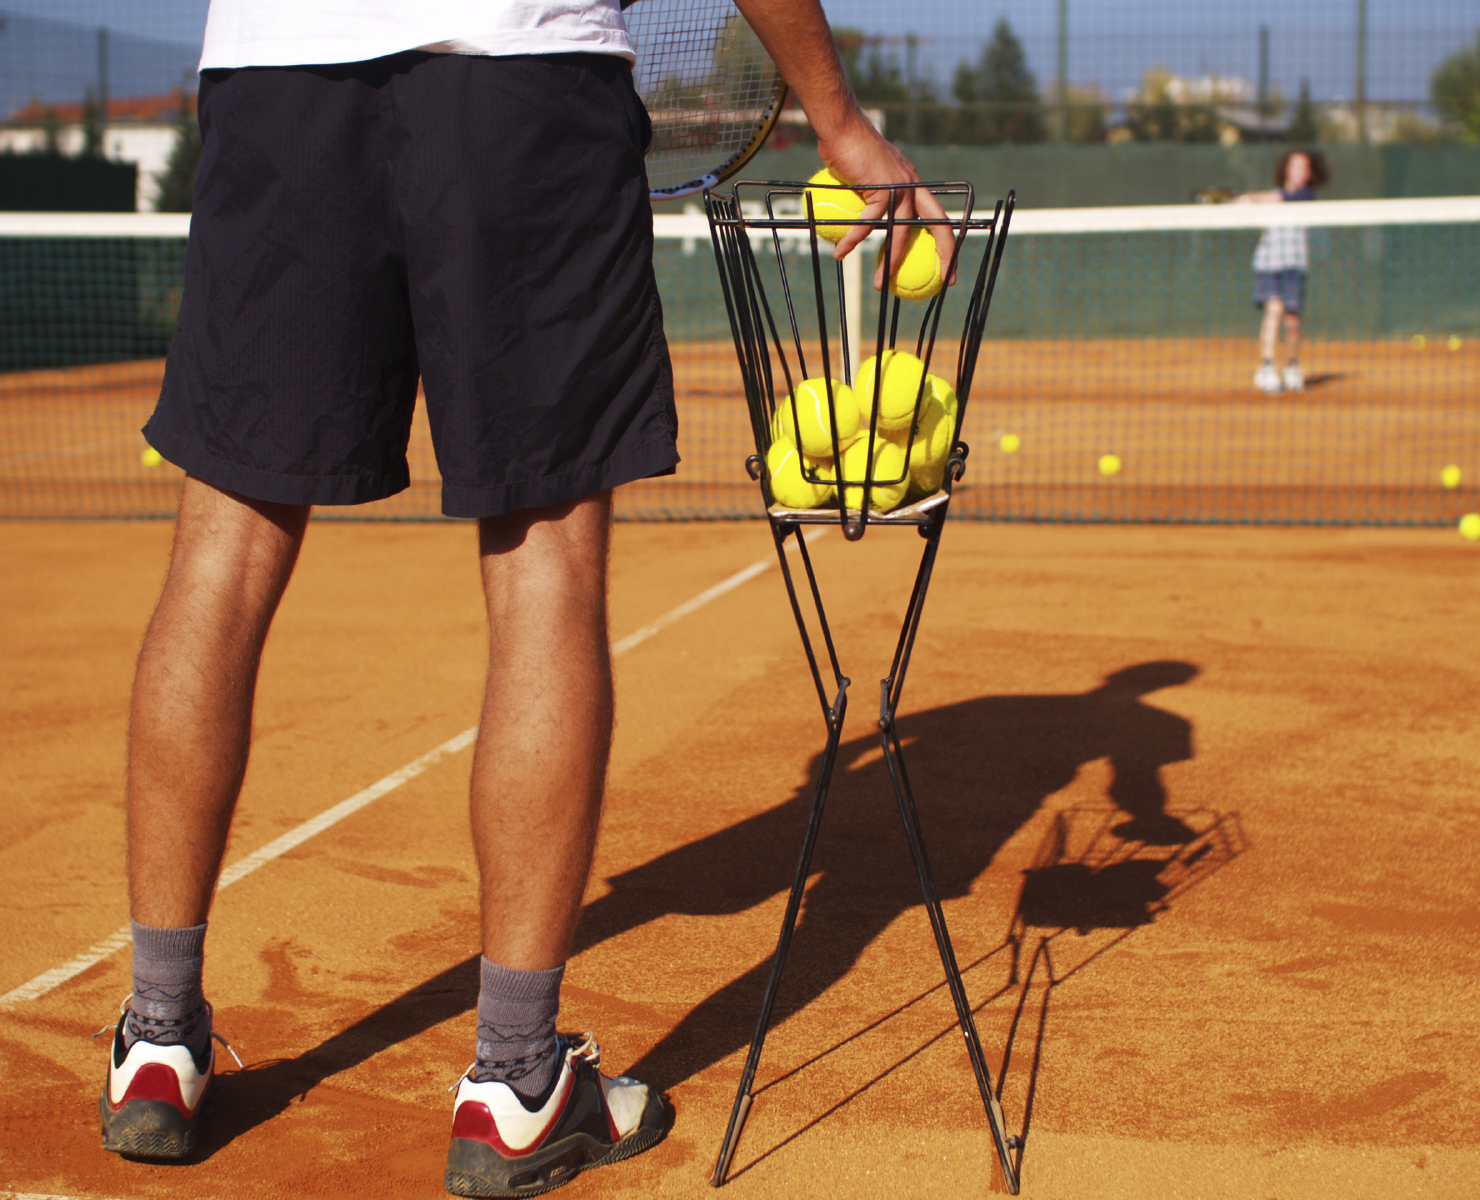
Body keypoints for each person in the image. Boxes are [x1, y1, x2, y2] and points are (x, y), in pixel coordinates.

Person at [98, 0, 951, 1194]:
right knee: (546, 560)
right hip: (521, 84)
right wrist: (839, 119)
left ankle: (155, 1041)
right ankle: (515, 1082)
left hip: (275, 83)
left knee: (221, 550)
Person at [1235, 148, 1330, 394]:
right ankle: (1266, 367)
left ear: (1309, 174)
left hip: (1295, 263)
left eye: (1304, 167)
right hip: (1269, 263)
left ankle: (1292, 366)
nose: (1299, 171)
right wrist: (1248, 207)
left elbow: (1279, 199)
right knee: (1274, 309)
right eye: (1295, 165)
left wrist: (1248, 197)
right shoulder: (1271, 200)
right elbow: (1263, 223)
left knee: (1292, 320)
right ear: (1286, 169)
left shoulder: (1306, 196)